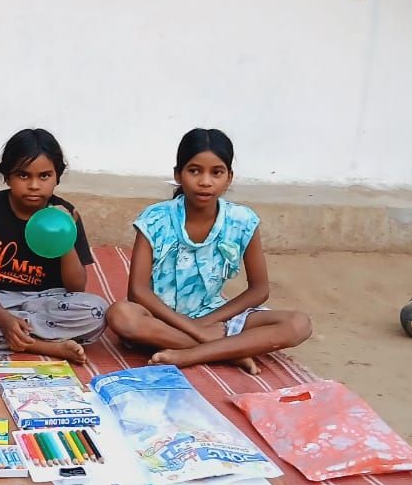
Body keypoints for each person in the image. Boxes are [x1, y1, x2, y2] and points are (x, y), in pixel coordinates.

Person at [106, 128, 312, 374]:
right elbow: (138, 291)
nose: (205, 181)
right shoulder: (155, 219)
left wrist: (206, 323)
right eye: (194, 171)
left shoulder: (242, 220)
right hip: (160, 319)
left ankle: (189, 354)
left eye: (216, 172)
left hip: (215, 317)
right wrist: (195, 329)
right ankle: (230, 352)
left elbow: (259, 290)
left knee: (299, 324)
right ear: (178, 174)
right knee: (121, 315)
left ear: (229, 177)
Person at [0, 128, 108, 363]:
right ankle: (45, 345)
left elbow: (77, 286)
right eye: (23, 175)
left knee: (97, 311)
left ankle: (15, 336)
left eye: (44, 176)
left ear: (57, 176)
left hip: (48, 303)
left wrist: (64, 235)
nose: (34, 185)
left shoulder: (65, 214)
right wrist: (3, 319)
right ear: (7, 176)